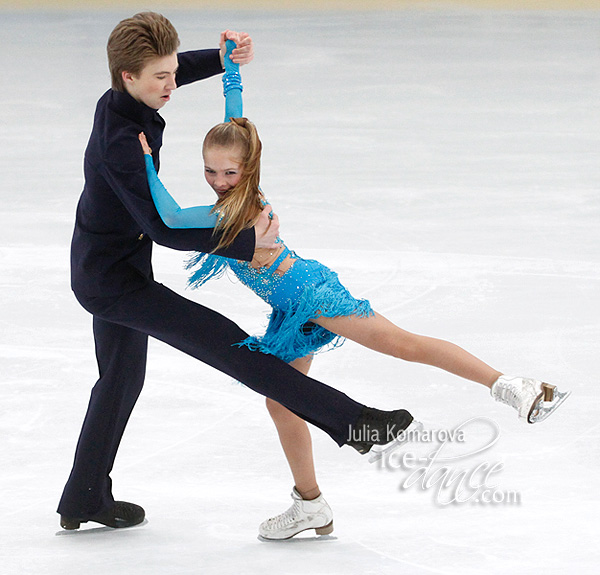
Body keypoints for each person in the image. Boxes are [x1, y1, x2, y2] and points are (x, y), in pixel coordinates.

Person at [137, 41, 571, 540]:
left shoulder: (233, 208)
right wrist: (231, 75)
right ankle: (310, 505)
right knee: (280, 401)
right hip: (288, 310)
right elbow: (238, 124)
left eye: (229, 172)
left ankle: (515, 388)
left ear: (249, 169)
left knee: (401, 344)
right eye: (210, 171)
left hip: (311, 294)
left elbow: (168, 218)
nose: (218, 181)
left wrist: (146, 165)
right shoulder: (235, 182)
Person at [59, 12, 416, 533]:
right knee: (230, 344)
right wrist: (246, 244)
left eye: (172, 71)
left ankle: (83, 497)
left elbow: (174, 68)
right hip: (112, 283)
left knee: (120, 378)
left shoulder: (122, 99)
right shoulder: (119, 143)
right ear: (127, 77)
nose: (172, 84)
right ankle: (353, 422)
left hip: (111, 266)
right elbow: (162, 226)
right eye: (160, 77)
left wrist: (221, 59)